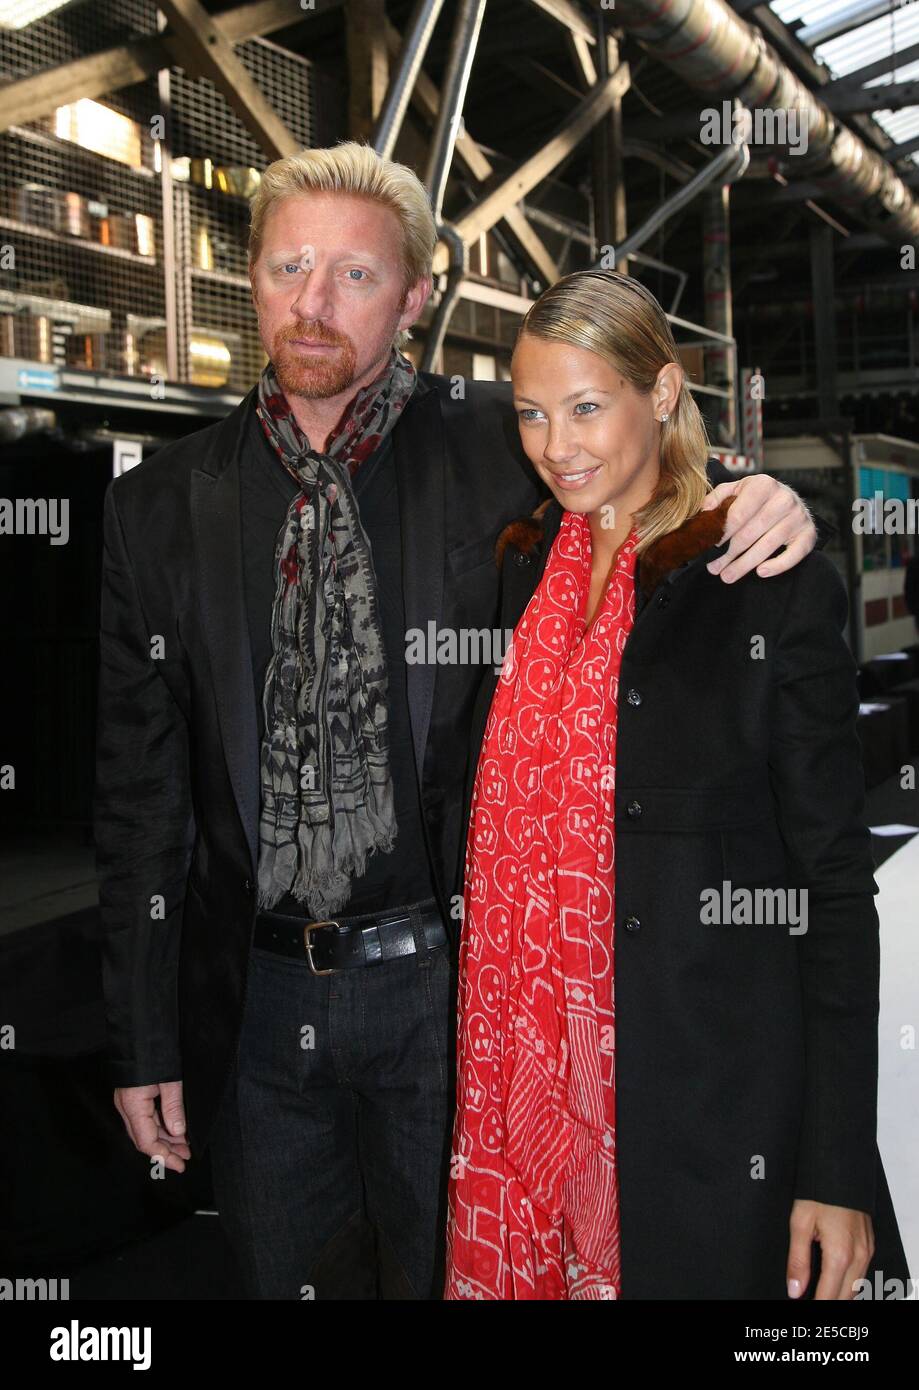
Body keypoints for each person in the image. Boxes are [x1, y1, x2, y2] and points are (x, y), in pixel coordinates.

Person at [93, 142, 825, 1301]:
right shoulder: (156, 509)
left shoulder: (503, 444)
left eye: (356, 275)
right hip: (255, 999)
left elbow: (649, 462)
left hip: (448, 989)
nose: (313, 303)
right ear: (250, 276)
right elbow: (141, 799)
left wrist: (770, 489)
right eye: (288, 267)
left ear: (417, 298)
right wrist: (142, 1039)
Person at [444, 268, 909, 1300]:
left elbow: (833, 886)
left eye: (586, 406)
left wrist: (831, 1166)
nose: (555, 445)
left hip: (710, 1120)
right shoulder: (522, 572)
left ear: (659, 394)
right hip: (522, 1115)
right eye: (530, 412)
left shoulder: (764, 582)